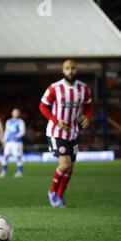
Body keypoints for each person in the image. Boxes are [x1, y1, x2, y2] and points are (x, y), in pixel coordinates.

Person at [39, 59, 93, 208]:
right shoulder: (54, 88)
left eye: (73, 68)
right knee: (64, 164)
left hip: (73, 133)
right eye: (67, 68)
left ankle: (60, 195)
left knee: (71, 168)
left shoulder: (83, 88)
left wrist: (87, 117)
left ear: (76, 70)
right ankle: (52, 192)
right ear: (63, 71)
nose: (70, 71)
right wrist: (57, 121)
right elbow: (43, 106)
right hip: (56, 132)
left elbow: (89, 105)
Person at [0, 108, 25, 178]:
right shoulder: (8, 121)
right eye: (14, 112)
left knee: (17, 157)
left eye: (17, 112)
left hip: (17, 142)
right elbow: (6, 131)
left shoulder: (21, 121)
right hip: (9, 142)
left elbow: (23, 132)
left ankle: (19, 172)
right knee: (5, 156)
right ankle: (3, 171)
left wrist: (16, 136)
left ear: (19, 114)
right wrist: (4, 140)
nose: (15, 113)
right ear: (12, 113)